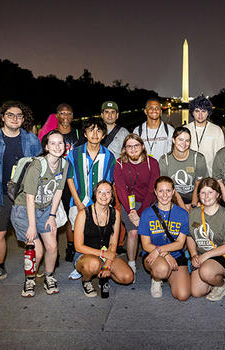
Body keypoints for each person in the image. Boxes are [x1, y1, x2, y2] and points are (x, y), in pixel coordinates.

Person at [0, 101, 42, 285]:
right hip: (0, 194)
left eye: (19, 115)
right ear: (3, 117)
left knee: (33, 233)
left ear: (24, 119)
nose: (15, 118)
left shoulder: (31, 139)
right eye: (10, 115)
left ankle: (36, 265)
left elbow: (40, 166)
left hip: (26, 195)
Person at [10, 130, 69, 297]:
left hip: (46, 209)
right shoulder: (38, 165)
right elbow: (30, 197)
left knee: (52, 247)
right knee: (38, 251)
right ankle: (29, 279)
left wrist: (52, 216)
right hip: (25, 210)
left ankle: (49, 277)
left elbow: (58, 191)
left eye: (61, 143)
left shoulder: (64, 164)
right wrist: (32, 226)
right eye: (53, 143)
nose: (57, 147)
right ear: (46, 146)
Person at [66, 117, 116, 278]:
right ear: (85, 133)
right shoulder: (74, 154)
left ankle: (99, 261)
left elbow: (109, 182)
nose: (95, 134)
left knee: (99, 233)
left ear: (103, 135)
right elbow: (70, 178)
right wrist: (79, 203)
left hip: (100, 203)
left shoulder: (109, 156)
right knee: (78, 234)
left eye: (99, 130)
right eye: (91, 130)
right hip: (79, 200)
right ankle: (79, 263)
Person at [73, 180, 134, 298]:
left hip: (106, 253)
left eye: (108, 192)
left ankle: (104, 274)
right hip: (84, 254)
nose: (104, 195)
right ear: (95, 194)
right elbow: (78, 246)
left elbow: (113, 243)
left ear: (112, 196)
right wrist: (103, 254)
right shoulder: (83, 214)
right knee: (93, 264)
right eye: (100, 192)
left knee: (128, 277)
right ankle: (86, 281)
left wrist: (107, 265)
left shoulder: (115, 213)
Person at [114, 134, 160, 279]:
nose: (133, 149)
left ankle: (156, 262)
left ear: (142, 147)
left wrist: (140, 212)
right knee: (133, 232)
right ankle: (132, 263)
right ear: (124, 149)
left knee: (151, 232)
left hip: (148, 203)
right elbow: (121, 189)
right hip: (128, 204)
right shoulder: (120, 163)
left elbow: (152, 190)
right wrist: (131, 211)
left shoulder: (152, 163)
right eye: (129, 146)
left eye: (136, 146)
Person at [138, 176, 191, 300]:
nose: (164, 195)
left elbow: (180, 244)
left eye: (168, 191)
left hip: (177, 255)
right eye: (161, 191)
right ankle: (156, 279)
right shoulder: (147, 214)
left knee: (182, 295)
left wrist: (160, 250)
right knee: (162, 269)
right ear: (155, 192)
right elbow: (146, 245)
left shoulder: (182, 214)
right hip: (153, 255)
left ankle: (168, 274)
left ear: (173, 192)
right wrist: (164, 253)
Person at [187, 177, 225, 301]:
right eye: (203, 192)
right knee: (196, 292)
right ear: (198, 195)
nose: (206, 196)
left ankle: (222, 284)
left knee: (206, 272)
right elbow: (190, 237)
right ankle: (212, 277)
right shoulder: (194, 213)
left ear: (218, 194)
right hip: (201, 255)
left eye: (210, 192)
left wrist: (205, 256)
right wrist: (194, 255)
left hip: (222, 255)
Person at [53, 103, 86, 262]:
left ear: (72, 116)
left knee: (70, 217)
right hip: (55, 181)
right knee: (52, 216)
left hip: (74, 181)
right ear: (57, 115)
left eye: (68, 113)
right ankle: (53, 250)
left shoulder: (79, 134)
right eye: (62, 113)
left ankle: (71, 246)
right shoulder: (52, 135)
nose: (65, 116)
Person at [158, 126, 208, 212]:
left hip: (194, 199)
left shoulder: (198, 158)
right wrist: (183, 208)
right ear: (173, 140)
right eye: (180, 139)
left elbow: (198, 185)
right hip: (173, 199)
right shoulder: (164, 160)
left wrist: (193, 206)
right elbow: (169, 187)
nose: (184, 143)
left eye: (187, 140)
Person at [186, 96, 225, 175]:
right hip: (189, 175)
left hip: (210, 175)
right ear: (192, 112)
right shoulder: (185, 129)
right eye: (197, 111)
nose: (200, 115)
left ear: (208, 113)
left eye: (203, 111)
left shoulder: (217, 130)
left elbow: (221, 156)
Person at [133, 98, 175, 162]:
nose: (154, 110)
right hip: (144, 168)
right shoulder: (137, 131)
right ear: (145, 111)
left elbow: (173, 154)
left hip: (162, 170)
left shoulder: (170, 130)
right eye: (151, 108)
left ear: (160, 111)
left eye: (157, 108)